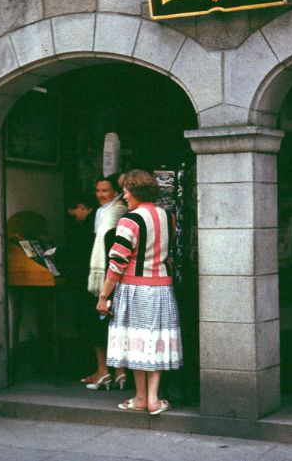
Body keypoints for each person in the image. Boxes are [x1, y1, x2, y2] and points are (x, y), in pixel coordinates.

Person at [97, 170, 182, 415]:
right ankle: (153, 399)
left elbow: (117, 262)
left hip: (135, 287)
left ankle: (140, 397)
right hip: (162, 287)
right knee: (154, 342)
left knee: (136, 342)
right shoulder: (168, 217)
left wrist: (104, 295)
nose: (124, 197)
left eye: (125, 191)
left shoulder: (129, 220)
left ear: (135, 192)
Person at [83, 175, 128, 391]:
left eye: (105, 191)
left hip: (109, 275)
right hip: (112, 274)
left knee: (101, 322)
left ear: (116, 192)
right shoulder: (105, 211)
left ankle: (105, 371)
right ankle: (118, 372)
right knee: (111, 322)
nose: (100, 195)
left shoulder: (115, 211)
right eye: (98, 190)